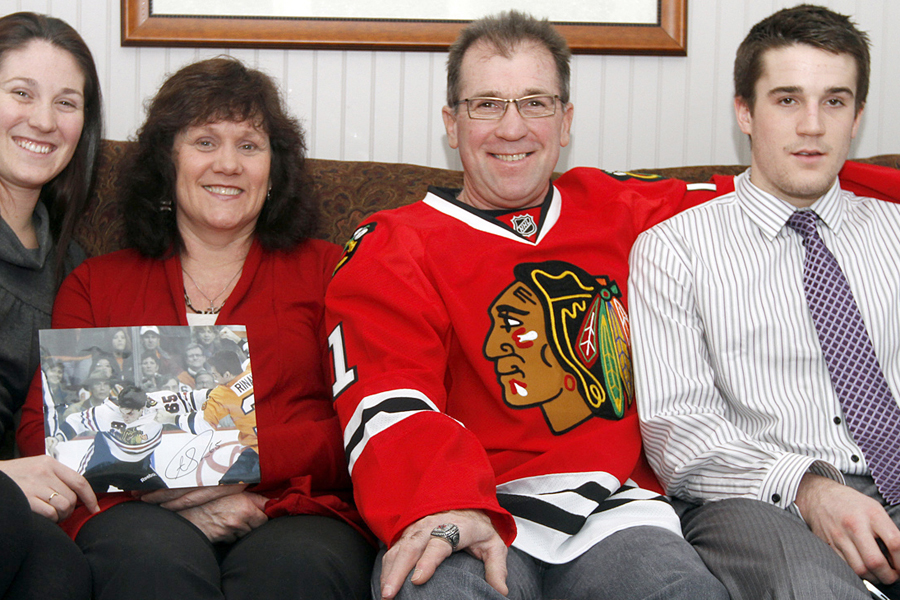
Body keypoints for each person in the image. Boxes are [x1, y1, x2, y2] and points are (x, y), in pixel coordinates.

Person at [325, 11, 730, 600]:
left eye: (535, 103)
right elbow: (389, 398)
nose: (511, 128)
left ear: (565, 122)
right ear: (452, 124)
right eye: (486, 104)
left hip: (617, 517)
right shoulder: (392, 244)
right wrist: (446, 505)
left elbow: (778, 187)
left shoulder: (621, 206)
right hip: (469, 509)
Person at [18, 56, 375, 599]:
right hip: (134, 514)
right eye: (205, 142)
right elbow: (45, 433)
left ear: (274, 169)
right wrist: (163, 491)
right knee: (148, 561)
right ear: (168, 162)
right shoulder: (95, 283)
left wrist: (241, 463)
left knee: (295, 569)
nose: (228, 164)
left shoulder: (332, 273)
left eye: (249, 146)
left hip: (293, 509)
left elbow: (368, 420)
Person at [630, 5, 900, 599]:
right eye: (787, 100)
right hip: (759, 498)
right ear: (745, 112)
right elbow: (680, 433)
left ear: (857, 116)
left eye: (834, 101)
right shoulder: (674, 249)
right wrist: (810, 488)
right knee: (811, 588)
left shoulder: (895, 232)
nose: (812, 125)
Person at [0, 11, 102, 599]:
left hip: (17, 506)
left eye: (66, 102)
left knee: (61, 571)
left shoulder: (75, 269)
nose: (43, 120)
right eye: (21, 93)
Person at [48, 385, 166, 493]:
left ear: (142, 408)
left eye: (130, 413)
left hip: (138, 467)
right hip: (103, 464)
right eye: (122, 412)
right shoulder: (106, 413)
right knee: (81, 494)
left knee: (162, 494)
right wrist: (56, 438)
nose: (125, 418)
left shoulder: (159, 407)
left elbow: (178, 408)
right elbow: (76, 421)